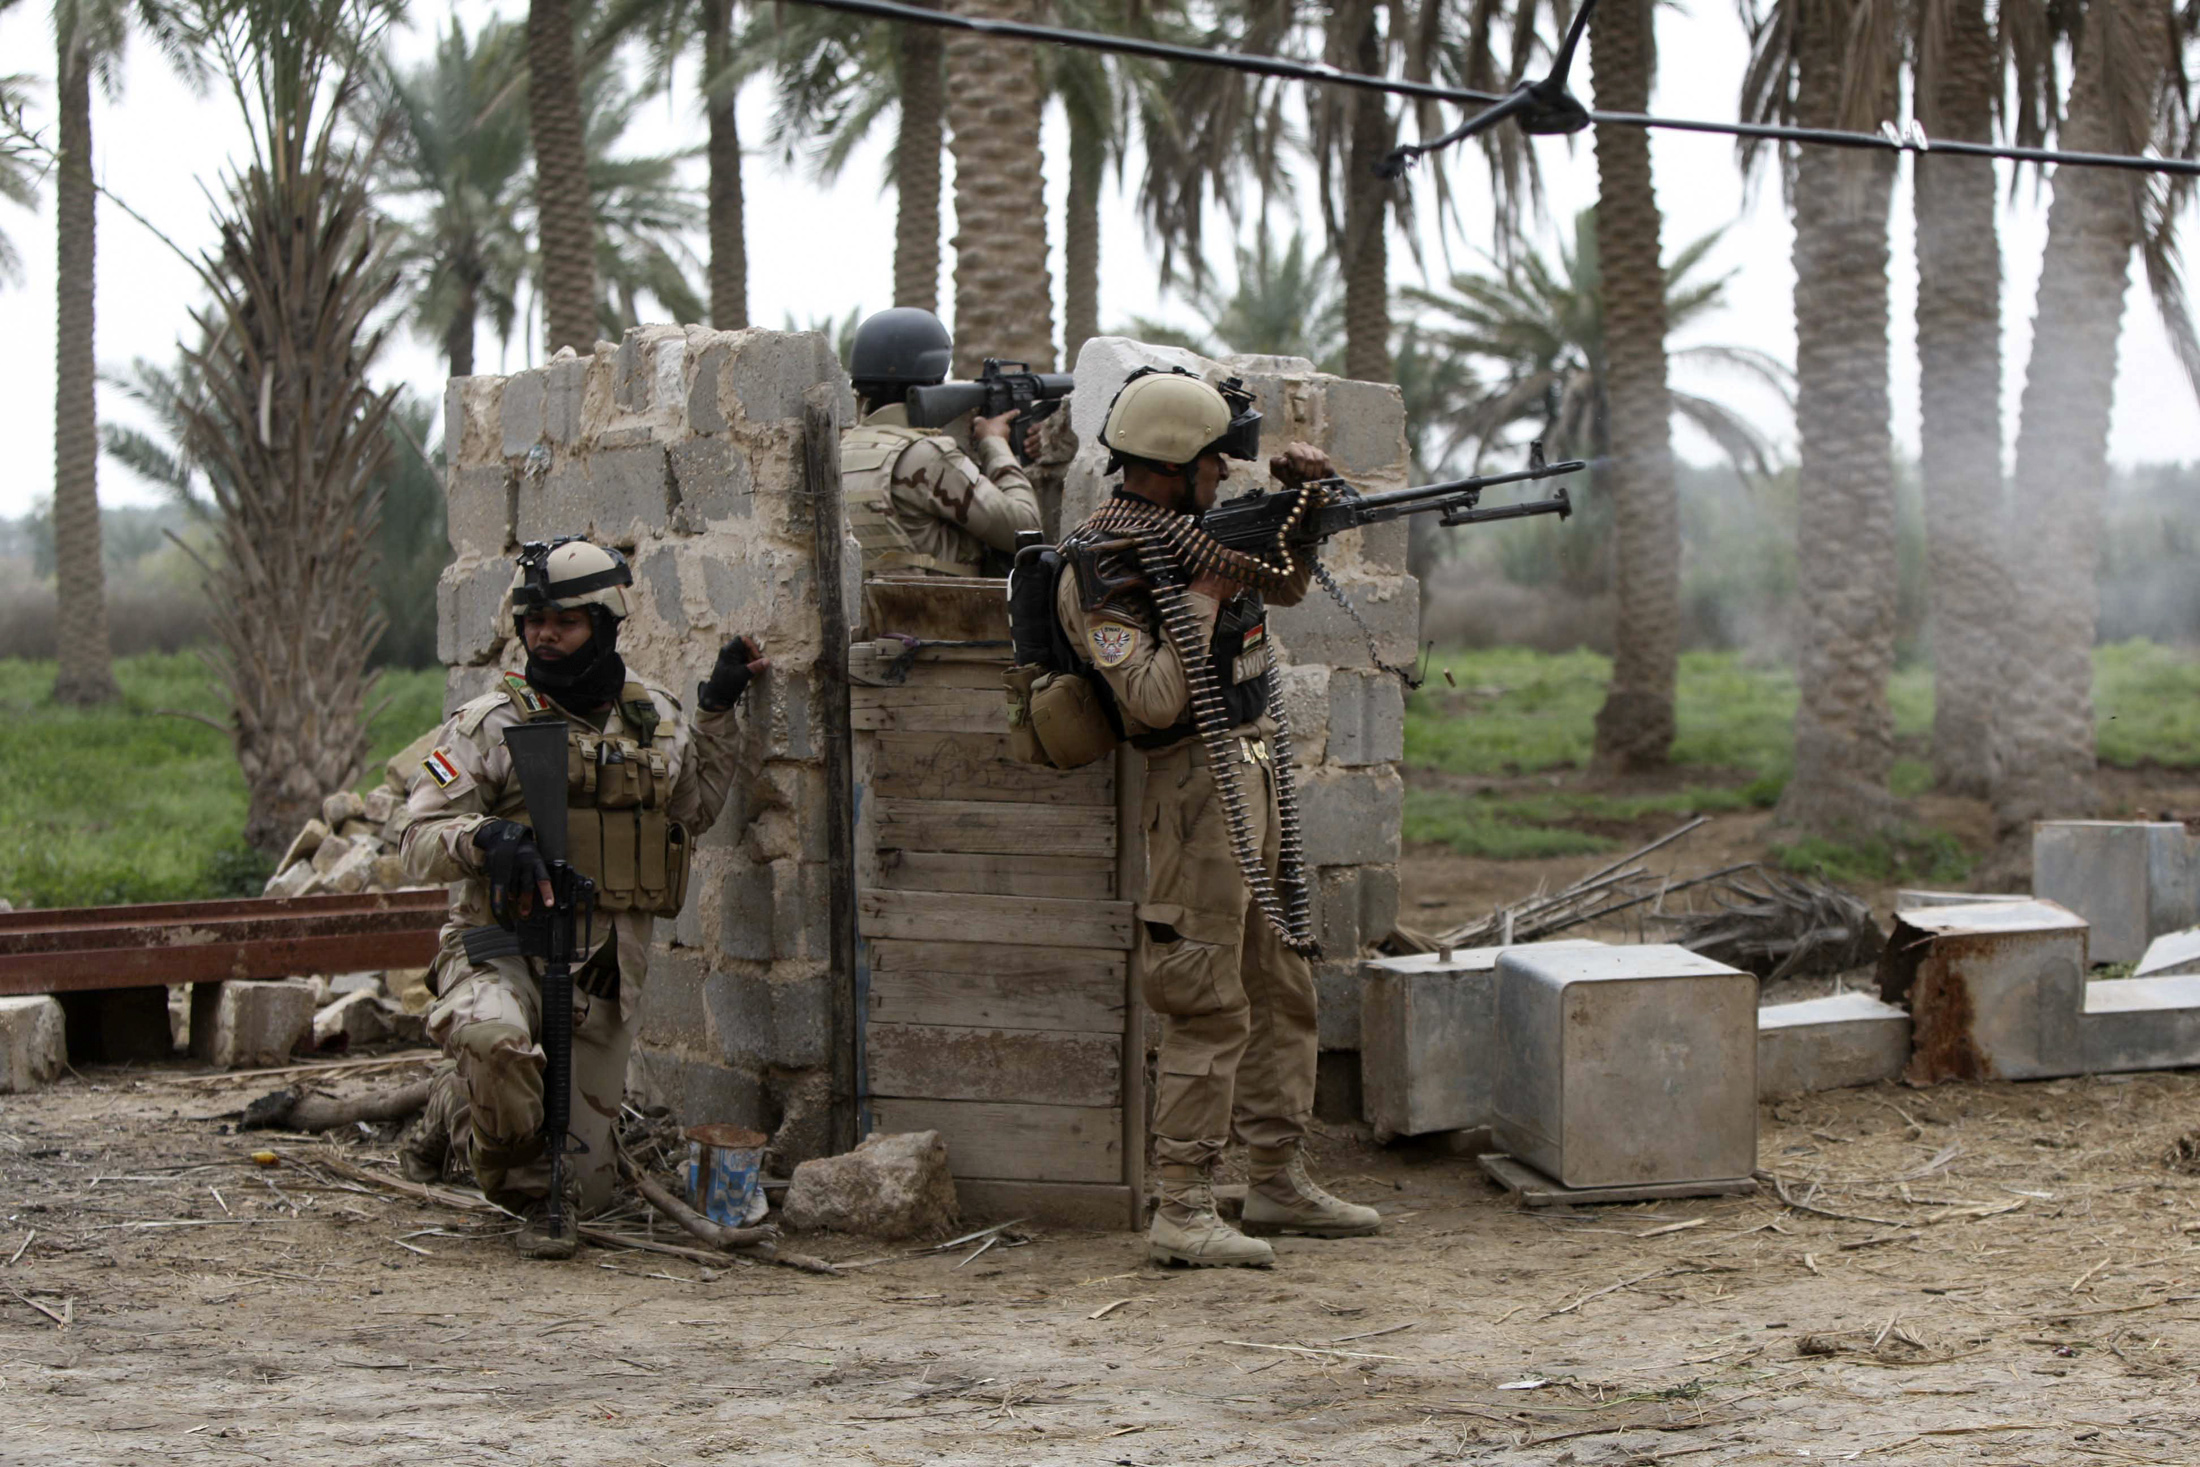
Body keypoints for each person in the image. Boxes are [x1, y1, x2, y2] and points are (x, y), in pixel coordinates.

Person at [1054, 368, 1382, 1268]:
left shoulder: (1193, 534)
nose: (1223, 480)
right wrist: (1198, 589)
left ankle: (1276, 1175)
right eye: (1213, 465)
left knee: (1281, 980)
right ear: (1170, 464)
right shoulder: (1104, 564)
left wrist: (1305, 503)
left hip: (1251, 766)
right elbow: (1158, 699)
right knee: (1204, 992)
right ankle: (1184, 1201)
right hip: (1194, 789)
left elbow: (1280, 589)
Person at [391, 537, 766, 1259]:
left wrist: (717, 709)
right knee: (507, 1082)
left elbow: (693, 811)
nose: (544, 635)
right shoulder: (491, 723)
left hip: (599, 972)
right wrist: (486, 839)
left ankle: (461, 1108)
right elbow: (414, 836)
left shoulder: (655, 718)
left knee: (588, 1191)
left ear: (605, 621)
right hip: (497, 949)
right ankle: (477, 1124)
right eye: (533, 622)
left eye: (563, 622)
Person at [841, 307, 1043, 576]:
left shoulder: (843, 451)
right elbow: (1025, 529)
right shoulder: (927, 457)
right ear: (932, 381)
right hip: (938, 616)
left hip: (866, 615)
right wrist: (995, 444)